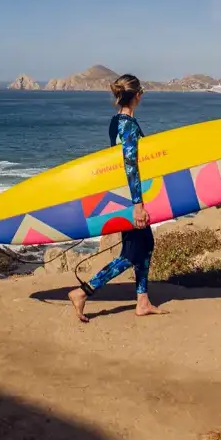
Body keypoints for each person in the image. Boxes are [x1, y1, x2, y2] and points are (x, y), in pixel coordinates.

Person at [68, 74, 167, 323]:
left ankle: (142, 301)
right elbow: (130, 165)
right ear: (137, 96)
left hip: (123, 193)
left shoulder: (116, 121)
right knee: (131, 253)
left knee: (146, 246)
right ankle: (83, 291)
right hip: (129, 197)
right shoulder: (128, 126)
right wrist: (138, 205)